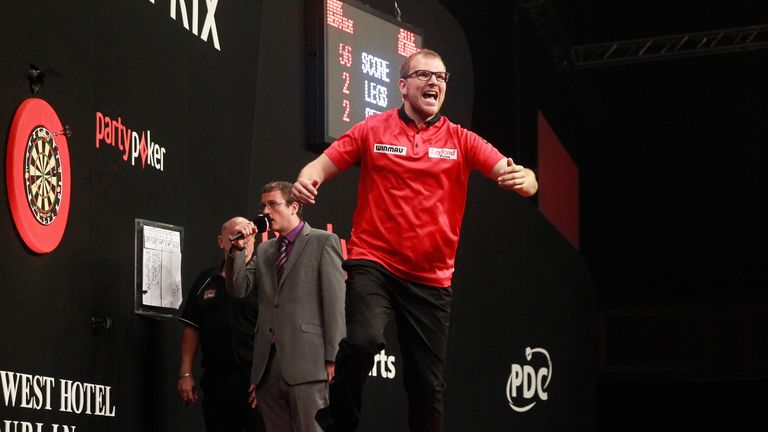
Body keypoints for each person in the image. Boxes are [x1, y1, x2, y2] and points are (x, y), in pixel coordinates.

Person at [291, 48, 539, 432]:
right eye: (425, 75)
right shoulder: (372, 130)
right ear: (403, 86)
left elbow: (517, 174)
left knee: (427, 386)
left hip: (430, 279)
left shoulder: (461, 140)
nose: (435, 83)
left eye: (441, 78)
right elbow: (320, 165)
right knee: (362, 341)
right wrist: (308, 179)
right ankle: (338, 422)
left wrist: (527, 180)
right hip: (374, 261)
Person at [225, 181, 346, 432]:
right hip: (268, 366)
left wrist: (334, 357)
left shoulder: (323, 241)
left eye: (273, 204)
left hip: (308, 363)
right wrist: (238, 249)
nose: (265, 212)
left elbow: (335, 303)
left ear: (294, 207)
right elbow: (238, 289)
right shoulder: (266, 248)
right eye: (263, 206)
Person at [177, 216, 266, 432]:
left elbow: (278, 330)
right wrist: (186, 372)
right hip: (217, 379)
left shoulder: (264, 279)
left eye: (248, 236)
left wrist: (265, 380)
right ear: (221, 241)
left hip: (252, 379)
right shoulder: (206, 279)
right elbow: (192, 326)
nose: (242, 241)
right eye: (236, 235)